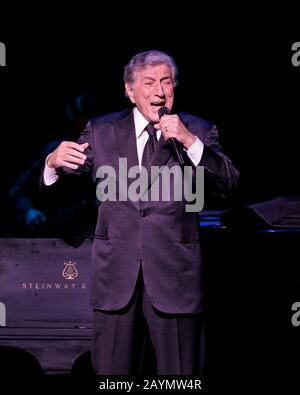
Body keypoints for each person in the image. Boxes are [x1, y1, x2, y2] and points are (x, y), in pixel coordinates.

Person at [41, 50, 239, 375]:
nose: (159, 91)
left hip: (176, 281)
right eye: (149, 83)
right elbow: (60, 188)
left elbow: (230, 184)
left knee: (180, 379)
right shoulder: (102, 130)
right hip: (116, 280)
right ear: (130, 91)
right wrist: (52, 163)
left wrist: (189, 141)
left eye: (166, 82)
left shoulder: (198, 130)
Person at [9, 92, 98, 237]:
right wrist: (28, 211)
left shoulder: (114, 151)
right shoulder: (55, 150)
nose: (89, 124)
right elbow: (18, 189)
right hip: (58, 237)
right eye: (84, 118)